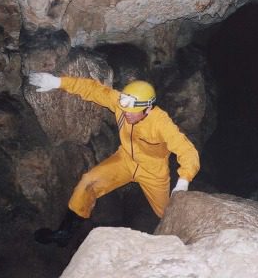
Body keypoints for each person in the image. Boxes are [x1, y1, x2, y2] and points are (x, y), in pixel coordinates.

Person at [28, 72, 200, 246]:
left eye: (133, 112)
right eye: (125, 110)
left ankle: (183, 243)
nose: (126, 115)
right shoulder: (121, 103)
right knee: (87, 182)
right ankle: (64, 233)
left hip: (153, 171)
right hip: (125, 159)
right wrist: (58, 82)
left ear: (148, 108)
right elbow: (93, 89)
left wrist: (183, 181)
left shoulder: (161, 123)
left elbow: (187, 151)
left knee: (168, 212)